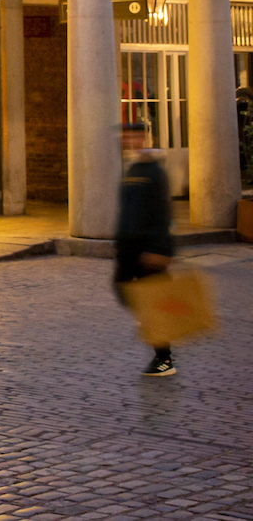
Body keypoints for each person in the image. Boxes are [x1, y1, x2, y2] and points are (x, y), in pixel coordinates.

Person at [114, 122, 179, 377]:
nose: (129, 141)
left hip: (149, 247)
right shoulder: (132, 169)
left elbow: (163, 213)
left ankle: (164, 360)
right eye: (126, 136)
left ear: (144, 138)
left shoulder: (154, 172)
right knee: (121, 287)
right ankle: (152, 318)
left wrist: (162, 250)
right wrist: (119, 242)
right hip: (129, 246)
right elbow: (127, 209)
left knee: (152, 302)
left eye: (135, 136)